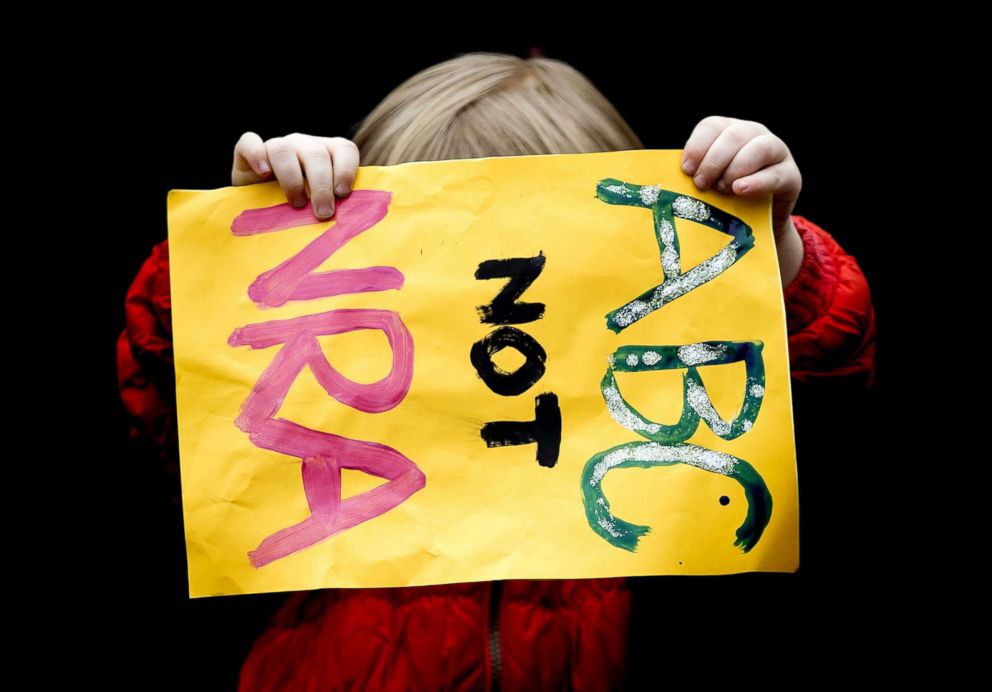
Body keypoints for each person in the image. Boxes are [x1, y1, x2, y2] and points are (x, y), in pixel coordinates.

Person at [117, 51, 877, 690]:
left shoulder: (656, 431)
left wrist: (771, 254)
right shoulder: (336, 400)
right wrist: (233, 256)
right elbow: (171, 410)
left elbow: (818, 402)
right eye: (432, 265)